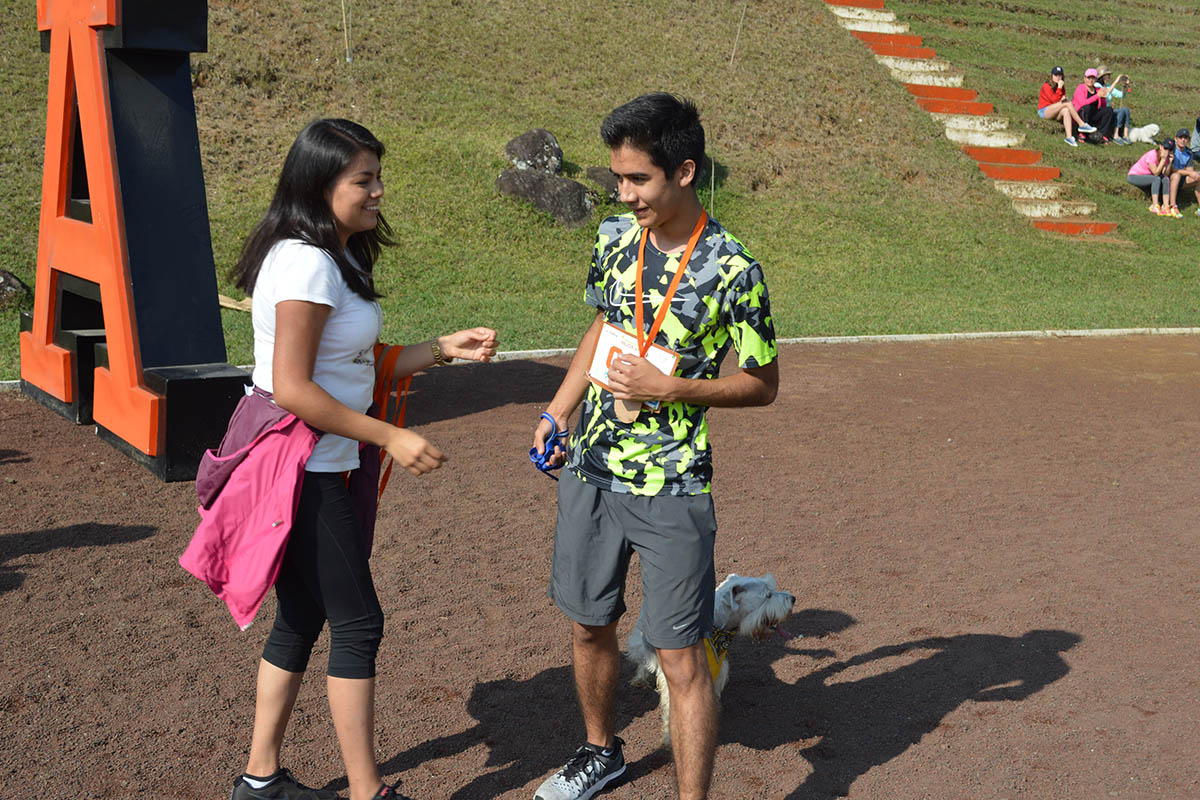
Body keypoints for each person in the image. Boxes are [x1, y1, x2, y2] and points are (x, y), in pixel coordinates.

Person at [222, 118, 497, 800]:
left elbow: (351, 363)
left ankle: (260, 780)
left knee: (304, 616)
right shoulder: (306, 263)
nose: (379, 191)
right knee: (358, 622)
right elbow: (291, 386)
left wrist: (438, 349)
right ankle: (367, 794)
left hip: (322, 460)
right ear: (320, 186)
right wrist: (389, 437)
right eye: (363, 180)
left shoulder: (335, 253)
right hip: (302, 467)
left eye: (378, 176)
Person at [529, 93, 779, 800]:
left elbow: (762, 385)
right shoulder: (613, 237)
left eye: (638, 179)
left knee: (682, 659)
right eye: (618, 178)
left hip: (672, 488)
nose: (624, 193)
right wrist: (557, 412)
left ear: (686, 172)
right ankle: (599, 752)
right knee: (589, 627)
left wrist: (674, 390)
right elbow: (600, 333)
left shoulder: (734, 268)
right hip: (592, 469)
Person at [1037, 66, 1095, 147]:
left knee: (1066, 110)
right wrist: (1060, 88)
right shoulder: (1046, 86)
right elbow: (1054, 100)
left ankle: (1069, 137)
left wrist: (1061, 91)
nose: (1058, 77)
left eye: (1060, 75)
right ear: (1052, 76)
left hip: (1055, 111)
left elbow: (1060, 99)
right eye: (1056, 75)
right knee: (1067, 103)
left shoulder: (1061, 85)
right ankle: (1081, 124)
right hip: (1044, 111)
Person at [1126, 139, 1172, 215]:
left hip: (1147, 177)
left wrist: (1170, 162)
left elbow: (1165, 174)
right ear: (1160, 147)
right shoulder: (1152, 155)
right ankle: (1155, 205)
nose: (1167, 151)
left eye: (1170, 149)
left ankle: (1166, 206)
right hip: (1134, 176)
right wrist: (1163, 160)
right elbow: (1156, 173)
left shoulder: (1166, 158)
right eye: (1165, 148)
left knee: (1166, 179)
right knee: (1156, 179)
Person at [1072, 68, 1115, 143]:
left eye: (1093, 78)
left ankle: (1102, 134)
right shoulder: (1080, 88)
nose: (1090, 80)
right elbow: (1083, 103)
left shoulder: (1097, 89)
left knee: (1108, 110)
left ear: (1096, 79)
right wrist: (1097, 96)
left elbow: (1103, 105)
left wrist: (1103, 97)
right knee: (1087, 107)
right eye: (1088, 78)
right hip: (1080, 115)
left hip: (1093, 115)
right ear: (1084, 78)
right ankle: (1082, 133)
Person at [1165, 127, 1200, 218]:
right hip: (1167, 178)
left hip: (1181, 180)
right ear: (1176, 138)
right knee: (1176, 175)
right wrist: (1189, 173)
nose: (1183, 140)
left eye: (1185, 138)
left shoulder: (1189, 152)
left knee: (1198, 177)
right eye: (1181, 137)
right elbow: (1171, 169)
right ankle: (1173, 206)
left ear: (1188, 139)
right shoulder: (1171, 149)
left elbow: (1190, 171)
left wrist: (1195, 174)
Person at [1097, 68, 1133, 144]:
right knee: (1120, 112)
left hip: (1109, 110)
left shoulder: (1108, 86)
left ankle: (1125, 135)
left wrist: (1126, 86)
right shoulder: (1097, 85)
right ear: (1102, 76)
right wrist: (1116, 81)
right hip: (1101, 111)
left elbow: (1121, 95)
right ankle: (1115, 135)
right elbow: (1105, 94)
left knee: (1125, 110)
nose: (1109, 76)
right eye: (1108, 75)